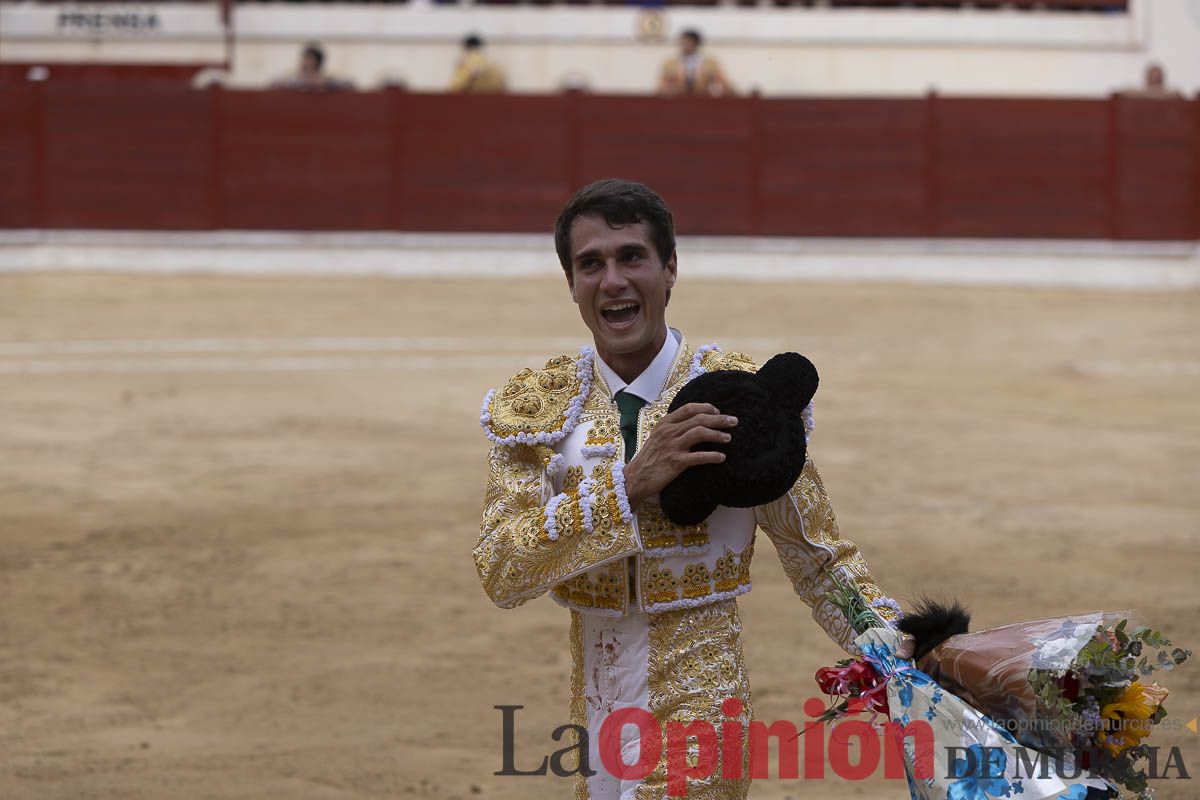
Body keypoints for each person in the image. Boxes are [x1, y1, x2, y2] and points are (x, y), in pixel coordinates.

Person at [474, 179, 910, 799]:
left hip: (703, 709)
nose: (613, 281)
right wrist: (628, 483)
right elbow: (501, 568)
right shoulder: (538, 411)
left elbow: (819, 559)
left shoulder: (742, 401)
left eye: (632, 257)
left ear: (670, 268)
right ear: (571, 283)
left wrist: (904, 657)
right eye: (590, 263)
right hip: (594, 716)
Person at [657, 29, 733, 97]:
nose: (684, 45)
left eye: (687, 42)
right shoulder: (670, 63)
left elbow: (722, 83)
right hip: (678, 100)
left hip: (703, 100)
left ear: (696, 44)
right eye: (682, 42)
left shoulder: (709, 63)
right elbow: (662, 86)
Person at [271, 42, 353, 92]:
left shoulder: (328, 80)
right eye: (304, 58)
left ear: (316, 62)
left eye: (308, 59)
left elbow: (349, 84)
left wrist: (324, 83)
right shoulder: (295, 80)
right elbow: (275, 83)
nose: (304, 62)